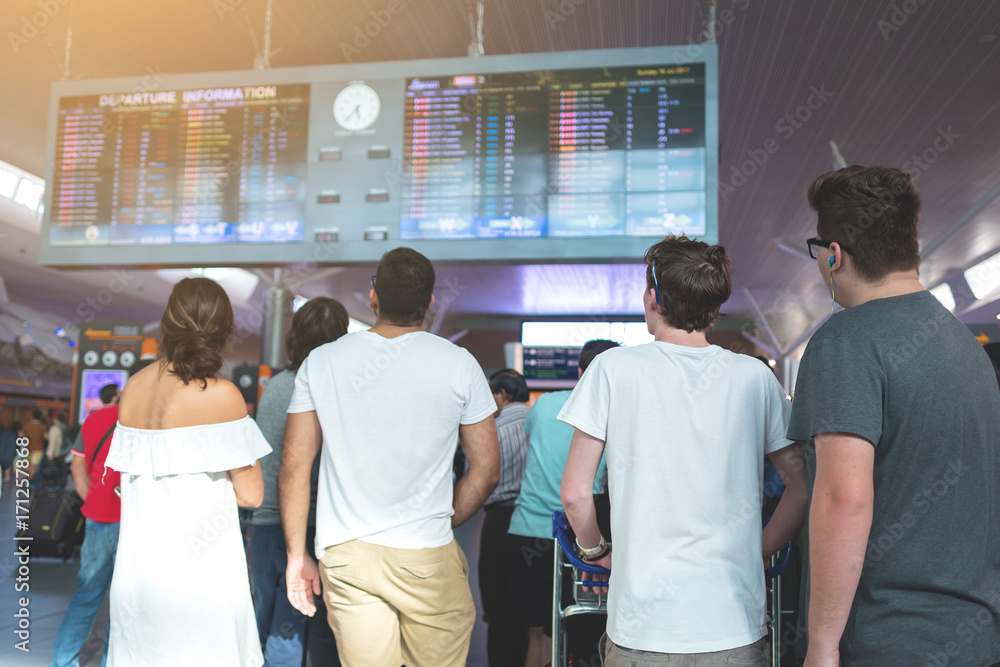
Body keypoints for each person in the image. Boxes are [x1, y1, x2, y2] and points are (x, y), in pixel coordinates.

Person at [560, 235, 808, 667]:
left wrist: (596, 552)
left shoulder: (613, 369)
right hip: (733, 625)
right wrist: (758, 551)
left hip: (642, 628)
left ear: (654, 298)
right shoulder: (754, 377)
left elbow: (575, 494)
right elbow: (801, 486)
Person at [788, 165, 1000, 666]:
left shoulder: (845, 340)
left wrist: (820, 646)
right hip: (972, 640)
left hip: (883, 643)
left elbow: (845, 500)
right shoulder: (965, 345)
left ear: (833, 254)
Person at [281, 247, 500, 667]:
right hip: (426, 554)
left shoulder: (322, 362)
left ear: (373, 297)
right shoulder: (459, 364)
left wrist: (297, 556)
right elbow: (487, 470)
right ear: (430, 302)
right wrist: (445, 516)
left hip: (346, 557)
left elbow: (294, 467)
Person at [105, 277, 271, 667]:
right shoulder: (222, 396)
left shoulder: (133, 388)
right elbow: (251, 494)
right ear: (223, 330)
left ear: (168, 323)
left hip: (138, 578)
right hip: (200, 579)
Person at [507, 339, 618, 667]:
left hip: (527, 531)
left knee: (537, 635)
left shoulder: (543, 405)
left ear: (580, 371)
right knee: (575, 630)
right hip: (580, 537)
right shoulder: (614, 416)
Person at [251, 297, 348, 666]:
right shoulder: (341, 389)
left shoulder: (277, 386)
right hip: (323, 524)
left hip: (267, 524)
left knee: (274, 622)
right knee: (320, 625)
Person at [50, 365, 147, 667]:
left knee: (87, 594)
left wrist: (90, 496)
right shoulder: (150, 422)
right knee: (127, 603)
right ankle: (111, 661)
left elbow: (77, 463)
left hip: (99, 520)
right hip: (138, 524)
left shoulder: (96, 418)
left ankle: (63, 660)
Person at [479, 368, 530, 667]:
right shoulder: (540, 423)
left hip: (500, 521)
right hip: (535, 521)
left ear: (503, 395)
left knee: (497, 605)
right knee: (527, 606)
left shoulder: (493, 432)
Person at [22, 409, 47, 478]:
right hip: (38, 449)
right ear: (40, 417)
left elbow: (21, 435)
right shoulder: (43, 426)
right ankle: (29, 481)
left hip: (28, 448)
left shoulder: (27, 425)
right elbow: (46, 437)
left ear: (32, 416)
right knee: (34, 466)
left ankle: (24, 480)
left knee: (27, 465)